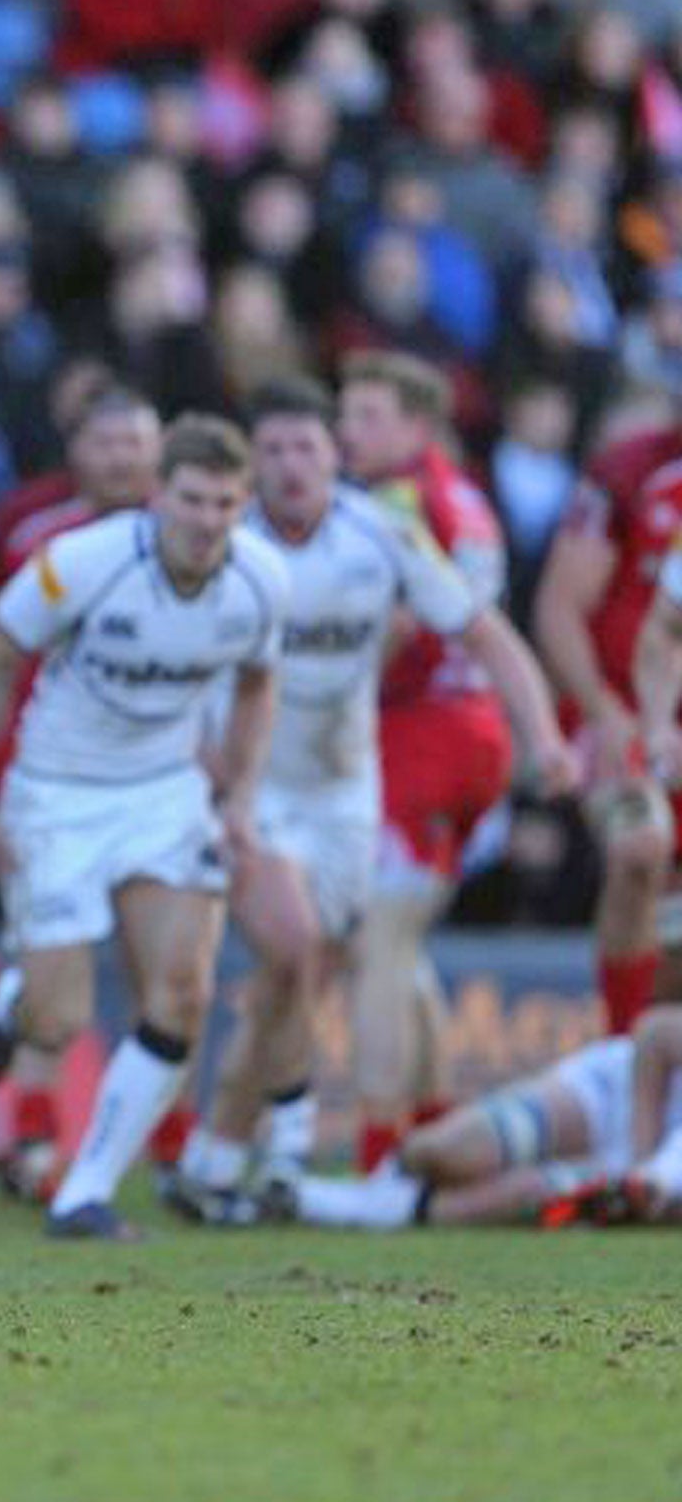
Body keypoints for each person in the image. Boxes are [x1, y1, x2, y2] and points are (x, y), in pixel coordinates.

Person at [167, 378, 575, 1222]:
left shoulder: (383, 531)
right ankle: (339, 1153)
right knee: (300, 954)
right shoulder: (223, 542)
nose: (289, 466)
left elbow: (482, 629)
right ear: (252, 463)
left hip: (351, 789)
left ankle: (221, 1156)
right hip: (251, 788)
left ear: (333, 459)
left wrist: (543, 735)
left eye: (307, 447)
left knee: (315, 967)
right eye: (272, 450)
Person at [0, 414, 289, 1239]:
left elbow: (257, 683)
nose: (208, 521)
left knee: (183, 992)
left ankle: (83, 1191)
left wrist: (238, 794)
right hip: (57, 794)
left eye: (226, 505)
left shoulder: (263, 579)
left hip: (166, 794)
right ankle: (12, 1002)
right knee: (58, 1021)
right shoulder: (85, 562)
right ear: (158, 495)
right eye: (194, 500)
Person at [0, 381, 162, 1203]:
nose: (121, 458)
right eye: (106, 443)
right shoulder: (28, 525)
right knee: (66, 972)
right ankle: (34, 1141)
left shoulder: (186, 530)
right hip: (42, 776)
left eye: (135, 441)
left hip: (155, 779)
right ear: (77, 451)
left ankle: (169, 1153)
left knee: (159, 969)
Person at [337, 350, 516, 1171]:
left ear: (417, 424)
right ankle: (437, 1118)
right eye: (346, 412)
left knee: (376, 942)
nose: (346, 431)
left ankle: (380, 1154)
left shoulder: (397, 500)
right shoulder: (466, 492)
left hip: (423, 734)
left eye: (367, 415)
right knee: (400, 944)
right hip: (472, 733)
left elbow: (401, 630)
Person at [533, 418, 682, 1039]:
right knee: (640, 849)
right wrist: (608, 712)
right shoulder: (628, 470)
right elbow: (559, 606)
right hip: (623, 711)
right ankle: (623, 1052)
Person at [276, 1006, 682, 1230]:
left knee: (516, 1197)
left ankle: (307, 1200)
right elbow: (655, 1035)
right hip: (607, 1098)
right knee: (450, 1152)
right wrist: (637, 1162)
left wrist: (646, 1192)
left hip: (642, 1181)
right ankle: (387, 1175)